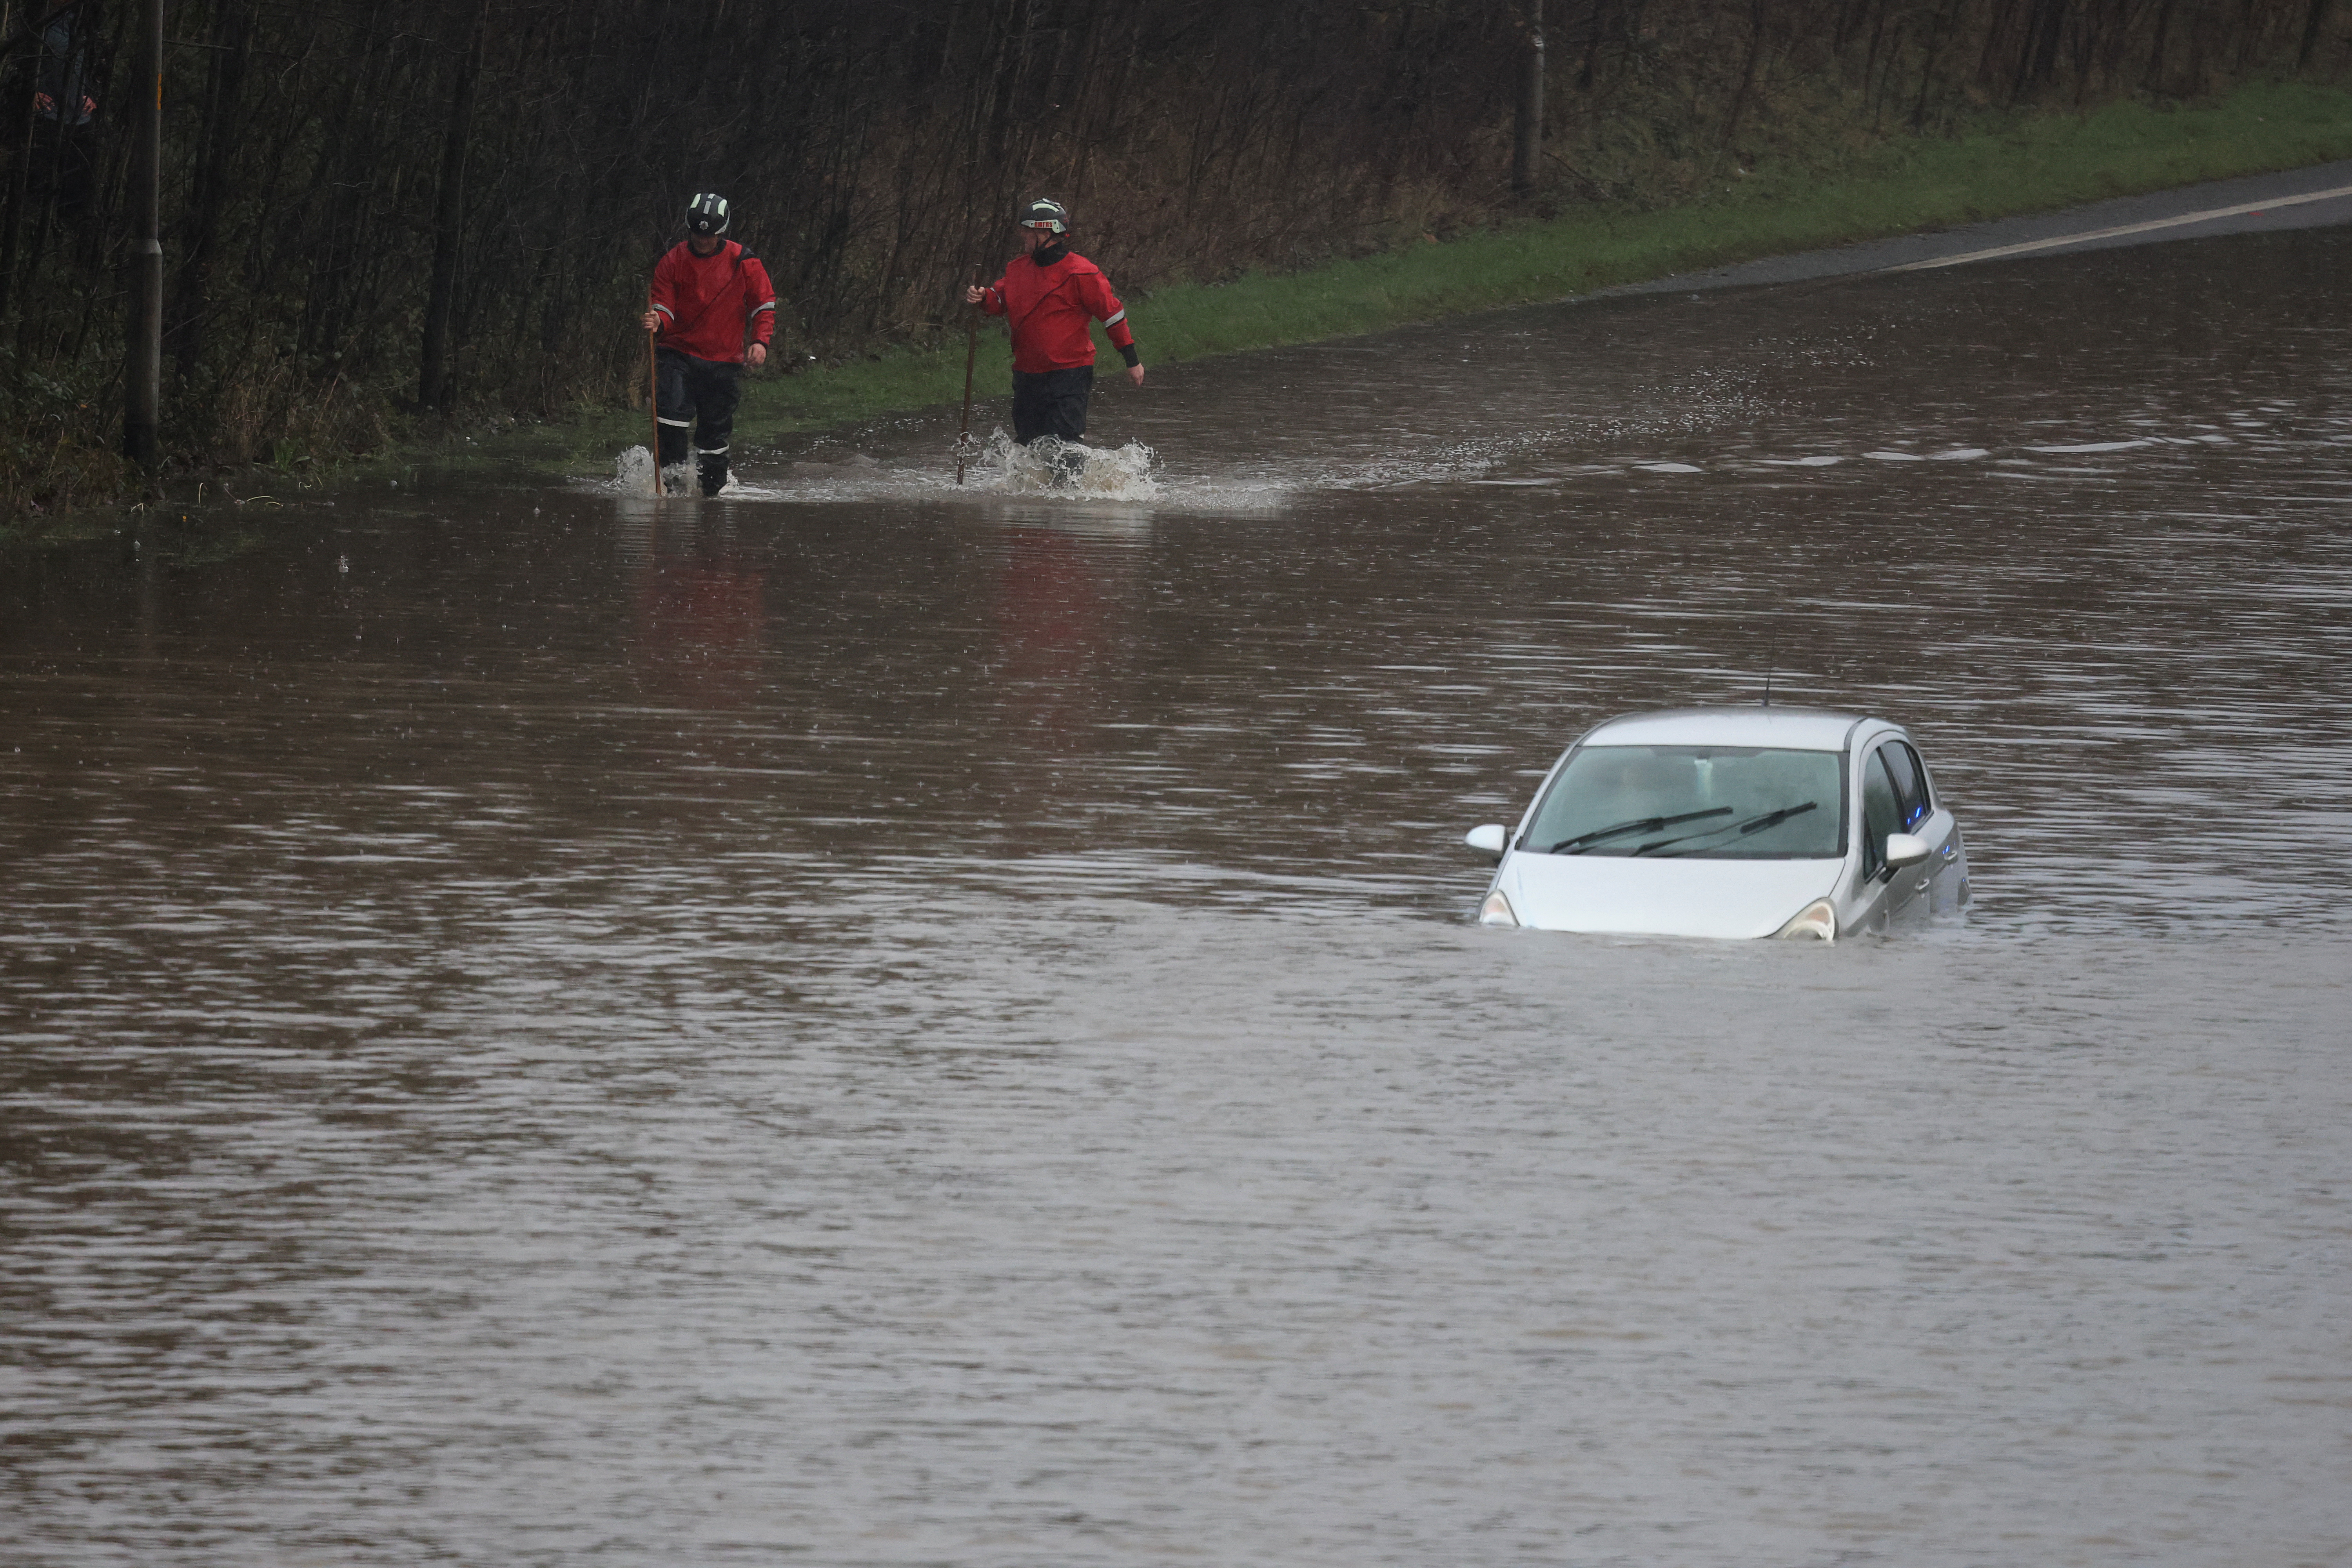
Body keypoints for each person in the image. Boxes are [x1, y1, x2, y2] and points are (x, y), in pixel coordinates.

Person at [962, 198, 1143, 467]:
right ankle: (1031, 505)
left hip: (1069, 374)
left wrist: (1132, 360)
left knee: (1066, 451)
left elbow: (1112, 315)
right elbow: (1001, 300)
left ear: (1045, 234)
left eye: (1028, 231)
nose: (1023, 236)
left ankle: (1065, 505)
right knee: (1028, 449)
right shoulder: (1017, 269)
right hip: (1027, 374)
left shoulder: (1082, 273)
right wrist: (983, 296)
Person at [638, 193, 777, 495]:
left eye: (710, 236)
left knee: (714, 437)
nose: (703, 241)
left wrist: (760, 342)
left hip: (723, 362)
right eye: (698, 234)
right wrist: (659, 321)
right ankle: (672, 491)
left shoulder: (745, 262)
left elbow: (763, 305)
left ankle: (713, 499)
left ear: (721, 232)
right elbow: (664, 304)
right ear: (689, 230)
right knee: (671, 419)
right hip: (677, 354)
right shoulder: (672, 261)